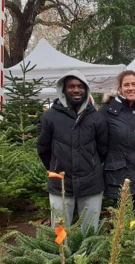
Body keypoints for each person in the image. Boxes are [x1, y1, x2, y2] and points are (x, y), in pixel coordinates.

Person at [37, 70, 108, 232]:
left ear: (86, 90)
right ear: (63, 90)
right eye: (71, 87)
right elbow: (43, 147)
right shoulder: (50, 117)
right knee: (60, 229)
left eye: (80, 87)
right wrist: (55, 167)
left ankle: (89, 257)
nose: (76, 90)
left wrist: (91, 165)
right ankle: (61, 256)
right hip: (60, 184)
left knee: (90, 230)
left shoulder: (96, 118)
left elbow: (103, 149)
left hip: (91, 184)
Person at [99, 70, 135, 207]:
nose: (130, 88)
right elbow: (99, 142)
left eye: (134, 84)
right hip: (117, 178)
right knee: (120, 223)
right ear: (120, 88)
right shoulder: (107, 111)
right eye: (126, 85)